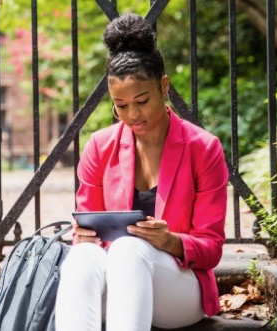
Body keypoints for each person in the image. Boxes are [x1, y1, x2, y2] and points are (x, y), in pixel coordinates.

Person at [55, 13, 228, 330]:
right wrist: (84, 237)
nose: (132, 115)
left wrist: (171, 241)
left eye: (142, 100)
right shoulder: (99, 146)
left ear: (164, 86)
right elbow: (88, 231)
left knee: (130, 248)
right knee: (80, 258)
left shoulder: (203, 148)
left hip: (179, 286)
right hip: (116, 283)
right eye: (120, 105)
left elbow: (211, 247)